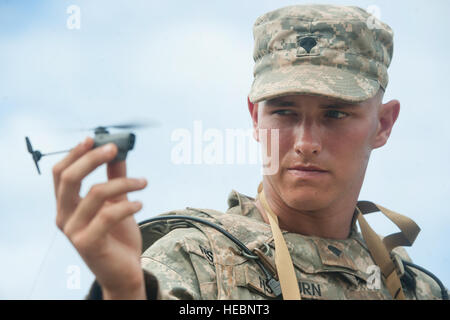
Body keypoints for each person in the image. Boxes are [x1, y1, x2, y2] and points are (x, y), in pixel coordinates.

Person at [52, 4, 447, 300]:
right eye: (285, 111)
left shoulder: (415, 288)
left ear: (383, 124)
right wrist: (123, 290)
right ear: (256, 118)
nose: (306, 141)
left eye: (335, 113)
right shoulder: (198, 260)